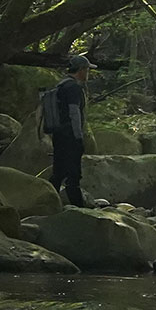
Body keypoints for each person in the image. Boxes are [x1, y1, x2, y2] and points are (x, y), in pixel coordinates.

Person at [49, 53, 90, 207]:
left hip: (58, 135)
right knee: (73, 175)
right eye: (87, 70)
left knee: (58, 173)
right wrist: (78, 138)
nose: (88, 73)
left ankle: (48, 203)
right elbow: (74, 113)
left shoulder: (61, 86)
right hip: (70, 137)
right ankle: (79, 209)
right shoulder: (73, 88)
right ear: (81, 70)